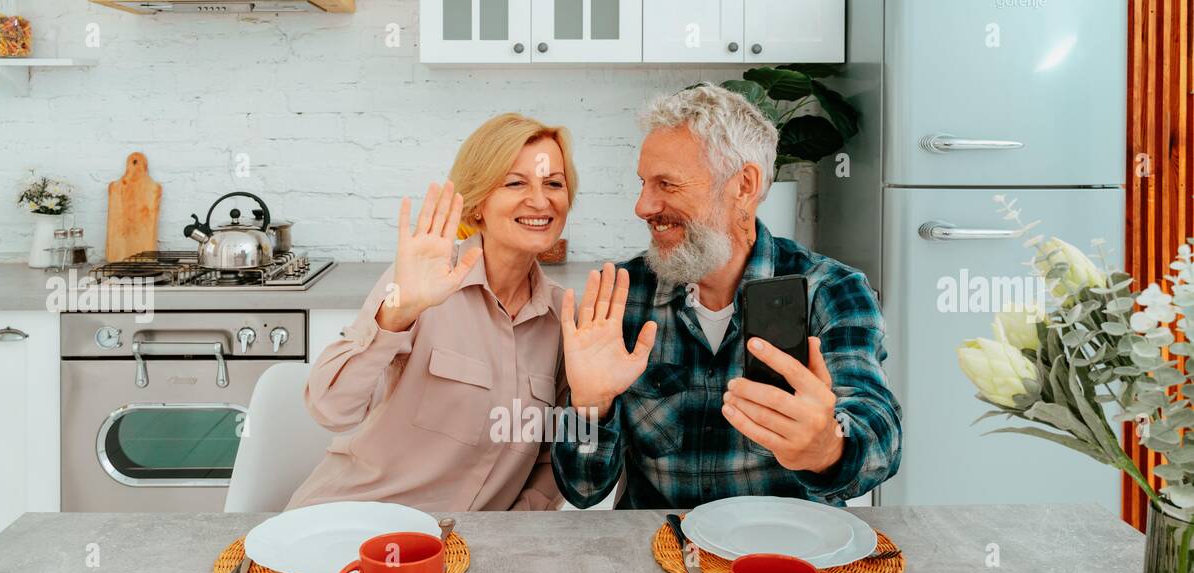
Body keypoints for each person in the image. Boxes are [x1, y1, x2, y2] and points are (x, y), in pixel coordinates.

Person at [551, 84, 902, 509]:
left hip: (783, 558)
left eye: (667, 184)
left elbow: (881, 436)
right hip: (664, 553)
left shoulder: (832, 291)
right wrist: (589, 408)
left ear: (745, 185)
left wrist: (827, 447)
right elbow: (583, 490)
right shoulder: (623, 295)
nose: (643, 206)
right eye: (644, 183)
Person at [287, 114, 576, 512]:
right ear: (477, 206)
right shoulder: (424, 282)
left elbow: (552, 458)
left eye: (554, 183)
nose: (541, 201)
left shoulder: (562, 317)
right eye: (515, 182)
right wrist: (395, 316)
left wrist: (511, 532)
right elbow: (330, 409)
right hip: (355, 526)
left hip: (463, 551)